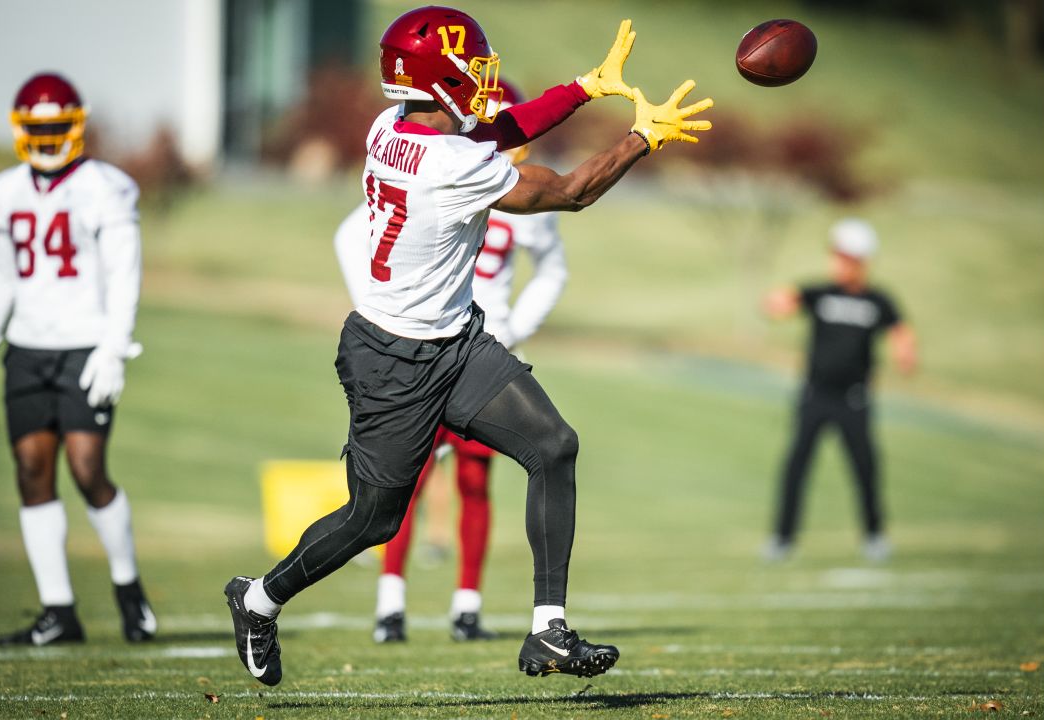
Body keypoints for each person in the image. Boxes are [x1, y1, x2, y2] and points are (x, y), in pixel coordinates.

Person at [225, 7, 712, 685]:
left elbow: (496, 130)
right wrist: (643, 138)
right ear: (439, 76)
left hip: (454, 344)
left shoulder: (388, 125)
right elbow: (570, 192)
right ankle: (258, 599)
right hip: (392, 358)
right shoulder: (449, 166)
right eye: (473, 69)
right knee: (375, 519)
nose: (483, 80)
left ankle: (548, 631)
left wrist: (581, 87)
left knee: (553, 444)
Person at [333, 79, 570, 644]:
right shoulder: (451, 163)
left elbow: (553, 269)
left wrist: (514, 326)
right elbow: (354, 234)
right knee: (401, 488)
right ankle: (391, 603)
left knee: (476, 479)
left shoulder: (401, 134)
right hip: (422, 342)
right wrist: (382, 307)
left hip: (476, 347)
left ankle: (467, 606)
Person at [0, 72, 156, 645]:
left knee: (86, 468)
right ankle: (59, 611)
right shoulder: (9, 189)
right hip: (27, 348)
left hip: (84, 344)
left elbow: (125, 275)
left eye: (56, 126)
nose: (47, 137)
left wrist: (113, 347)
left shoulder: (106, 186)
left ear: (75, 126)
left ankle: (128, 587)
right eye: (38, 128)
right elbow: (3, 276)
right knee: (31, 474)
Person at [762, 218, 919, 562]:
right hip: (815, 395)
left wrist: (905, 350)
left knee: (865, 469)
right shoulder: (822, 293)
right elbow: (787, 299)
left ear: (860, 260)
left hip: (854, 400)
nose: (836, 262)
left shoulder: (878, 300)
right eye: (835, 255)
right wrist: (776, 302)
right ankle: (782, 539)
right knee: (797, 466)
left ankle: (874, 536)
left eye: (843, 256)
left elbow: (900, 330)